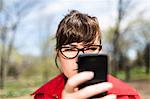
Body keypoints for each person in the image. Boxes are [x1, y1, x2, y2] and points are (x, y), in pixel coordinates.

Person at [31, 10, 140, 99]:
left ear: (100, 52)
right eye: (70, 49)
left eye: (91, 48)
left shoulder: (127, 96)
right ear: (58, 55)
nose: (79, 59)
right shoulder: (43, 96)